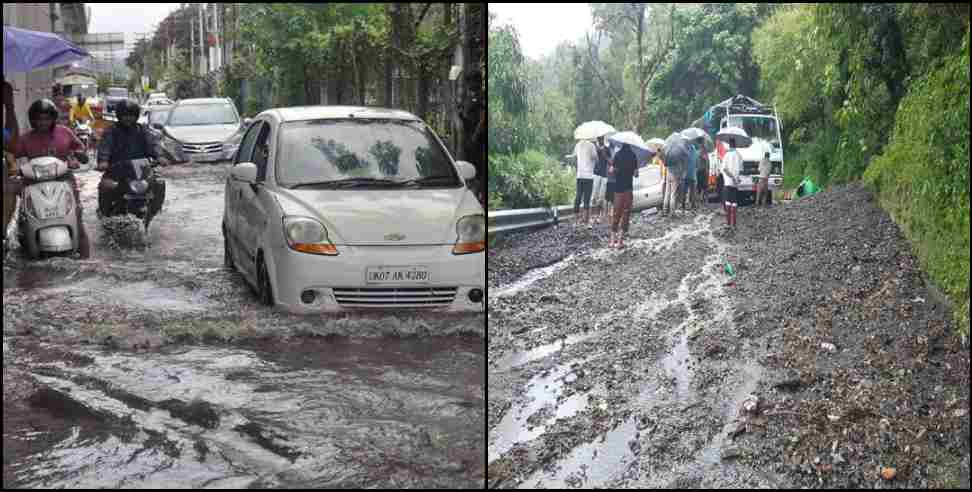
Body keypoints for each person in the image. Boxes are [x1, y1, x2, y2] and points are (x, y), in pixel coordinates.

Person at [13, 99, 91, 258]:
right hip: (33, 184)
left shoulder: (64, 132)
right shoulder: (25, 138)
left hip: (64, 181)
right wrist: (12, 165)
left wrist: (76, 158)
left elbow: (80, 151)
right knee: (25, 216)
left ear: (53, 118)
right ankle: (23, 246)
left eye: (46, 118)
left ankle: (85, 258)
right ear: (32, 120)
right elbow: (12, 154)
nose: (42, 122)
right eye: (38, 119)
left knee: (77, 217)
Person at [96, 99, 161, 216]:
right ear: (119, 116)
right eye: (125, 115)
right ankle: (104, 214)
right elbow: (105, 147)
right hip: (116, 171)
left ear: (136, 116)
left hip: (141, 171)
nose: (128, 118)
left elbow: (153, 144)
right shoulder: (111, 131)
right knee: (106, 186)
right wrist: (103, 161)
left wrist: (160, 156)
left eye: (131, 115)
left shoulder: (142, 130)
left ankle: (153, 212)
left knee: (159, 183)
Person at [609, 143, 637, 249]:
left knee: (616, 213)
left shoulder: (617, 155)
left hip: (618, 189)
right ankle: (620, 241)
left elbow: (611, 171)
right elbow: (636, 174)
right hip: (628, 189)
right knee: (626, 214)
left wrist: (615, 170)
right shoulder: (633, 156)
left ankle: (612, 241)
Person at [721, 136, 744, 231]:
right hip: (735, 184)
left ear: (729, 145)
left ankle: (728, 224)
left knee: (727, 202)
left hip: (727, 183)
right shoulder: (739, 155)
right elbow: (741, 170)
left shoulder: (726, 155)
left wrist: (732, 177)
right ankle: (734, 225)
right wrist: (736, 178)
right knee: (734, 203)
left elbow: (725, 169)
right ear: (735, 145)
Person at [573, 138, 597, 227]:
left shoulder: (577, 145)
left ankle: (576, 221)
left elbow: (575, 157)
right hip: (589, 176)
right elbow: (595, 158)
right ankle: (586, 222)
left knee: (578, 197)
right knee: (587, 198)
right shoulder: (591, 145)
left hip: (579, 175)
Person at [591, 136, 609, 226]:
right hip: (596, 174)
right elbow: (593, 159)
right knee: (594, 196)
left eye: (601, 139)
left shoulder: (607, 149)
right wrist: (596, 149)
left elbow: (610, 161)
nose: (600, 140)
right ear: (597, 139)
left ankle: (598, 216)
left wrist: (605, 155)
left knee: (601, 197)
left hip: (604, 175)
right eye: (598, 139)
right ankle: (593, 216)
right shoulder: (595, 149)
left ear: (603, 139)